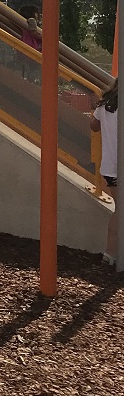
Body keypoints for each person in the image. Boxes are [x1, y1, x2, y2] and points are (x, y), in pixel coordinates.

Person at [90, 77, 118, 265]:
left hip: (109, 167)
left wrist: (96, 106)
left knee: (120, 208)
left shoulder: (104, 106)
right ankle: (110, 252)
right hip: (119, 165)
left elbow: (93, 126)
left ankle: (111, 253)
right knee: (121, 210)